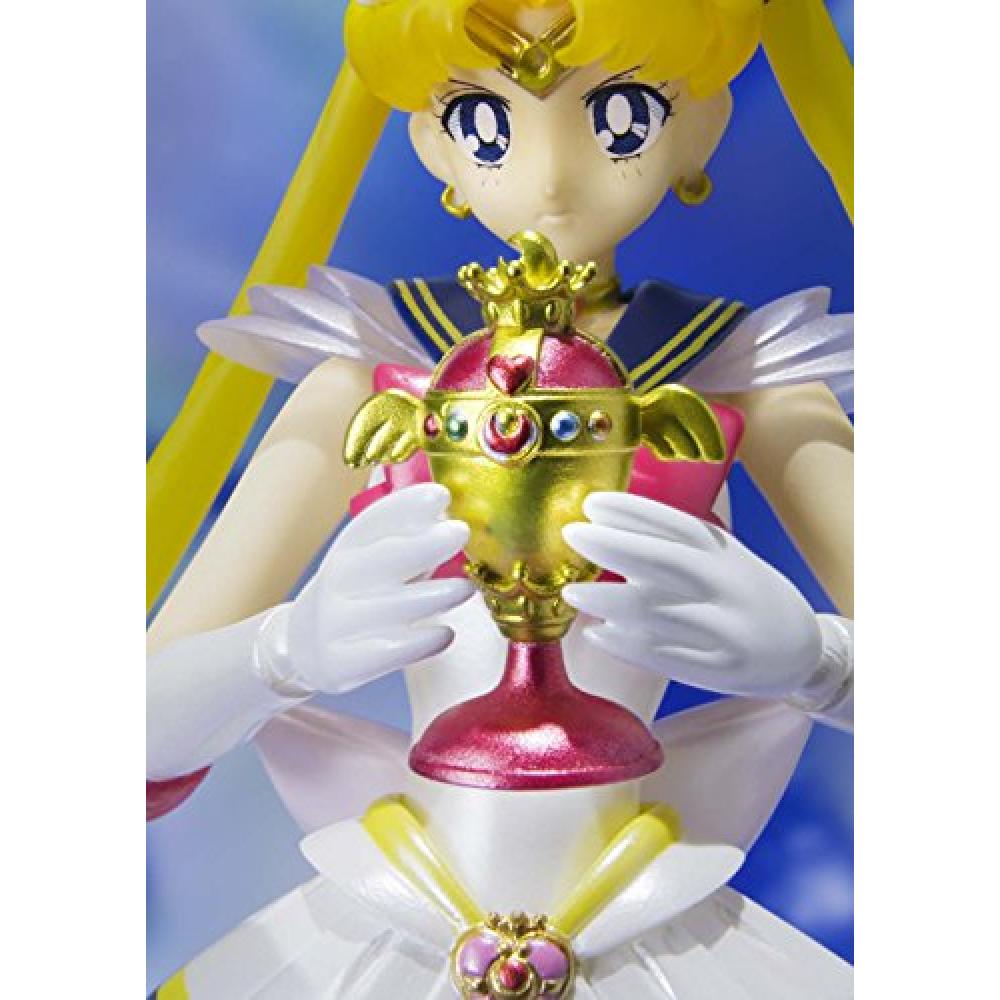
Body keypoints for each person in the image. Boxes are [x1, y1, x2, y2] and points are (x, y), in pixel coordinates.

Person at [147, 2, 854, 995]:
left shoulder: (748, 379)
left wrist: (816, 661)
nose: (552, 174)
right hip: (390, 908)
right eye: (486, 122)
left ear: (700, 125)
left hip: (654, 913)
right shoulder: (367, 375)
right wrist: (283, 651)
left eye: (619, 116)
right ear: (433, 145)